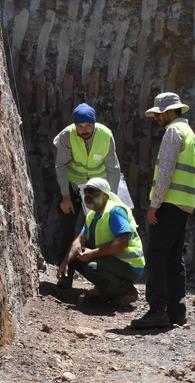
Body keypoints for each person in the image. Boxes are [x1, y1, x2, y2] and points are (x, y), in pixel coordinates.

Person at [131, 92, 195, 329]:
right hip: (183, 205)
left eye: (160, 114)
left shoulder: (174, 132)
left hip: (169, 203)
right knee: (173, 258)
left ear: (171, 111)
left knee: (158, 255)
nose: (157, 118)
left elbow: (166, 171)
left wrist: (154, 204)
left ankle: (157, 309)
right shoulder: (190, 134)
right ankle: (176, 311)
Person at [53, 103, 121, 275]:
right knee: (67, 227)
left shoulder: (105, 135)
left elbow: (113, 168)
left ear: (94, 124)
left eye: (88, 126)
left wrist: (110, 199)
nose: (84, 130)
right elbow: (61, 166)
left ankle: (96, 274)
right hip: (74, 186)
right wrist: (66, 196)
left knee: (97, 228)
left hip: (97, 188)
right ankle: (64, 274)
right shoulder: (67, 136)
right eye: (80, 126)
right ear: (75, 125)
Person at [56, 178, 144, 307]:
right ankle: (66, 288)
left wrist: (92, 254)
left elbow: (123, 242)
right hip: (111, 259)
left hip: (129, 265)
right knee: (73, 254)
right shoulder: (92, 215)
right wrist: (65, 262)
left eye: (92, 192)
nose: (87, 196)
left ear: (105, 195)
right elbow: (79, 241)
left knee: (92, 267)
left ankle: (126, 290)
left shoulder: (114, 211)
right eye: (85, 192)